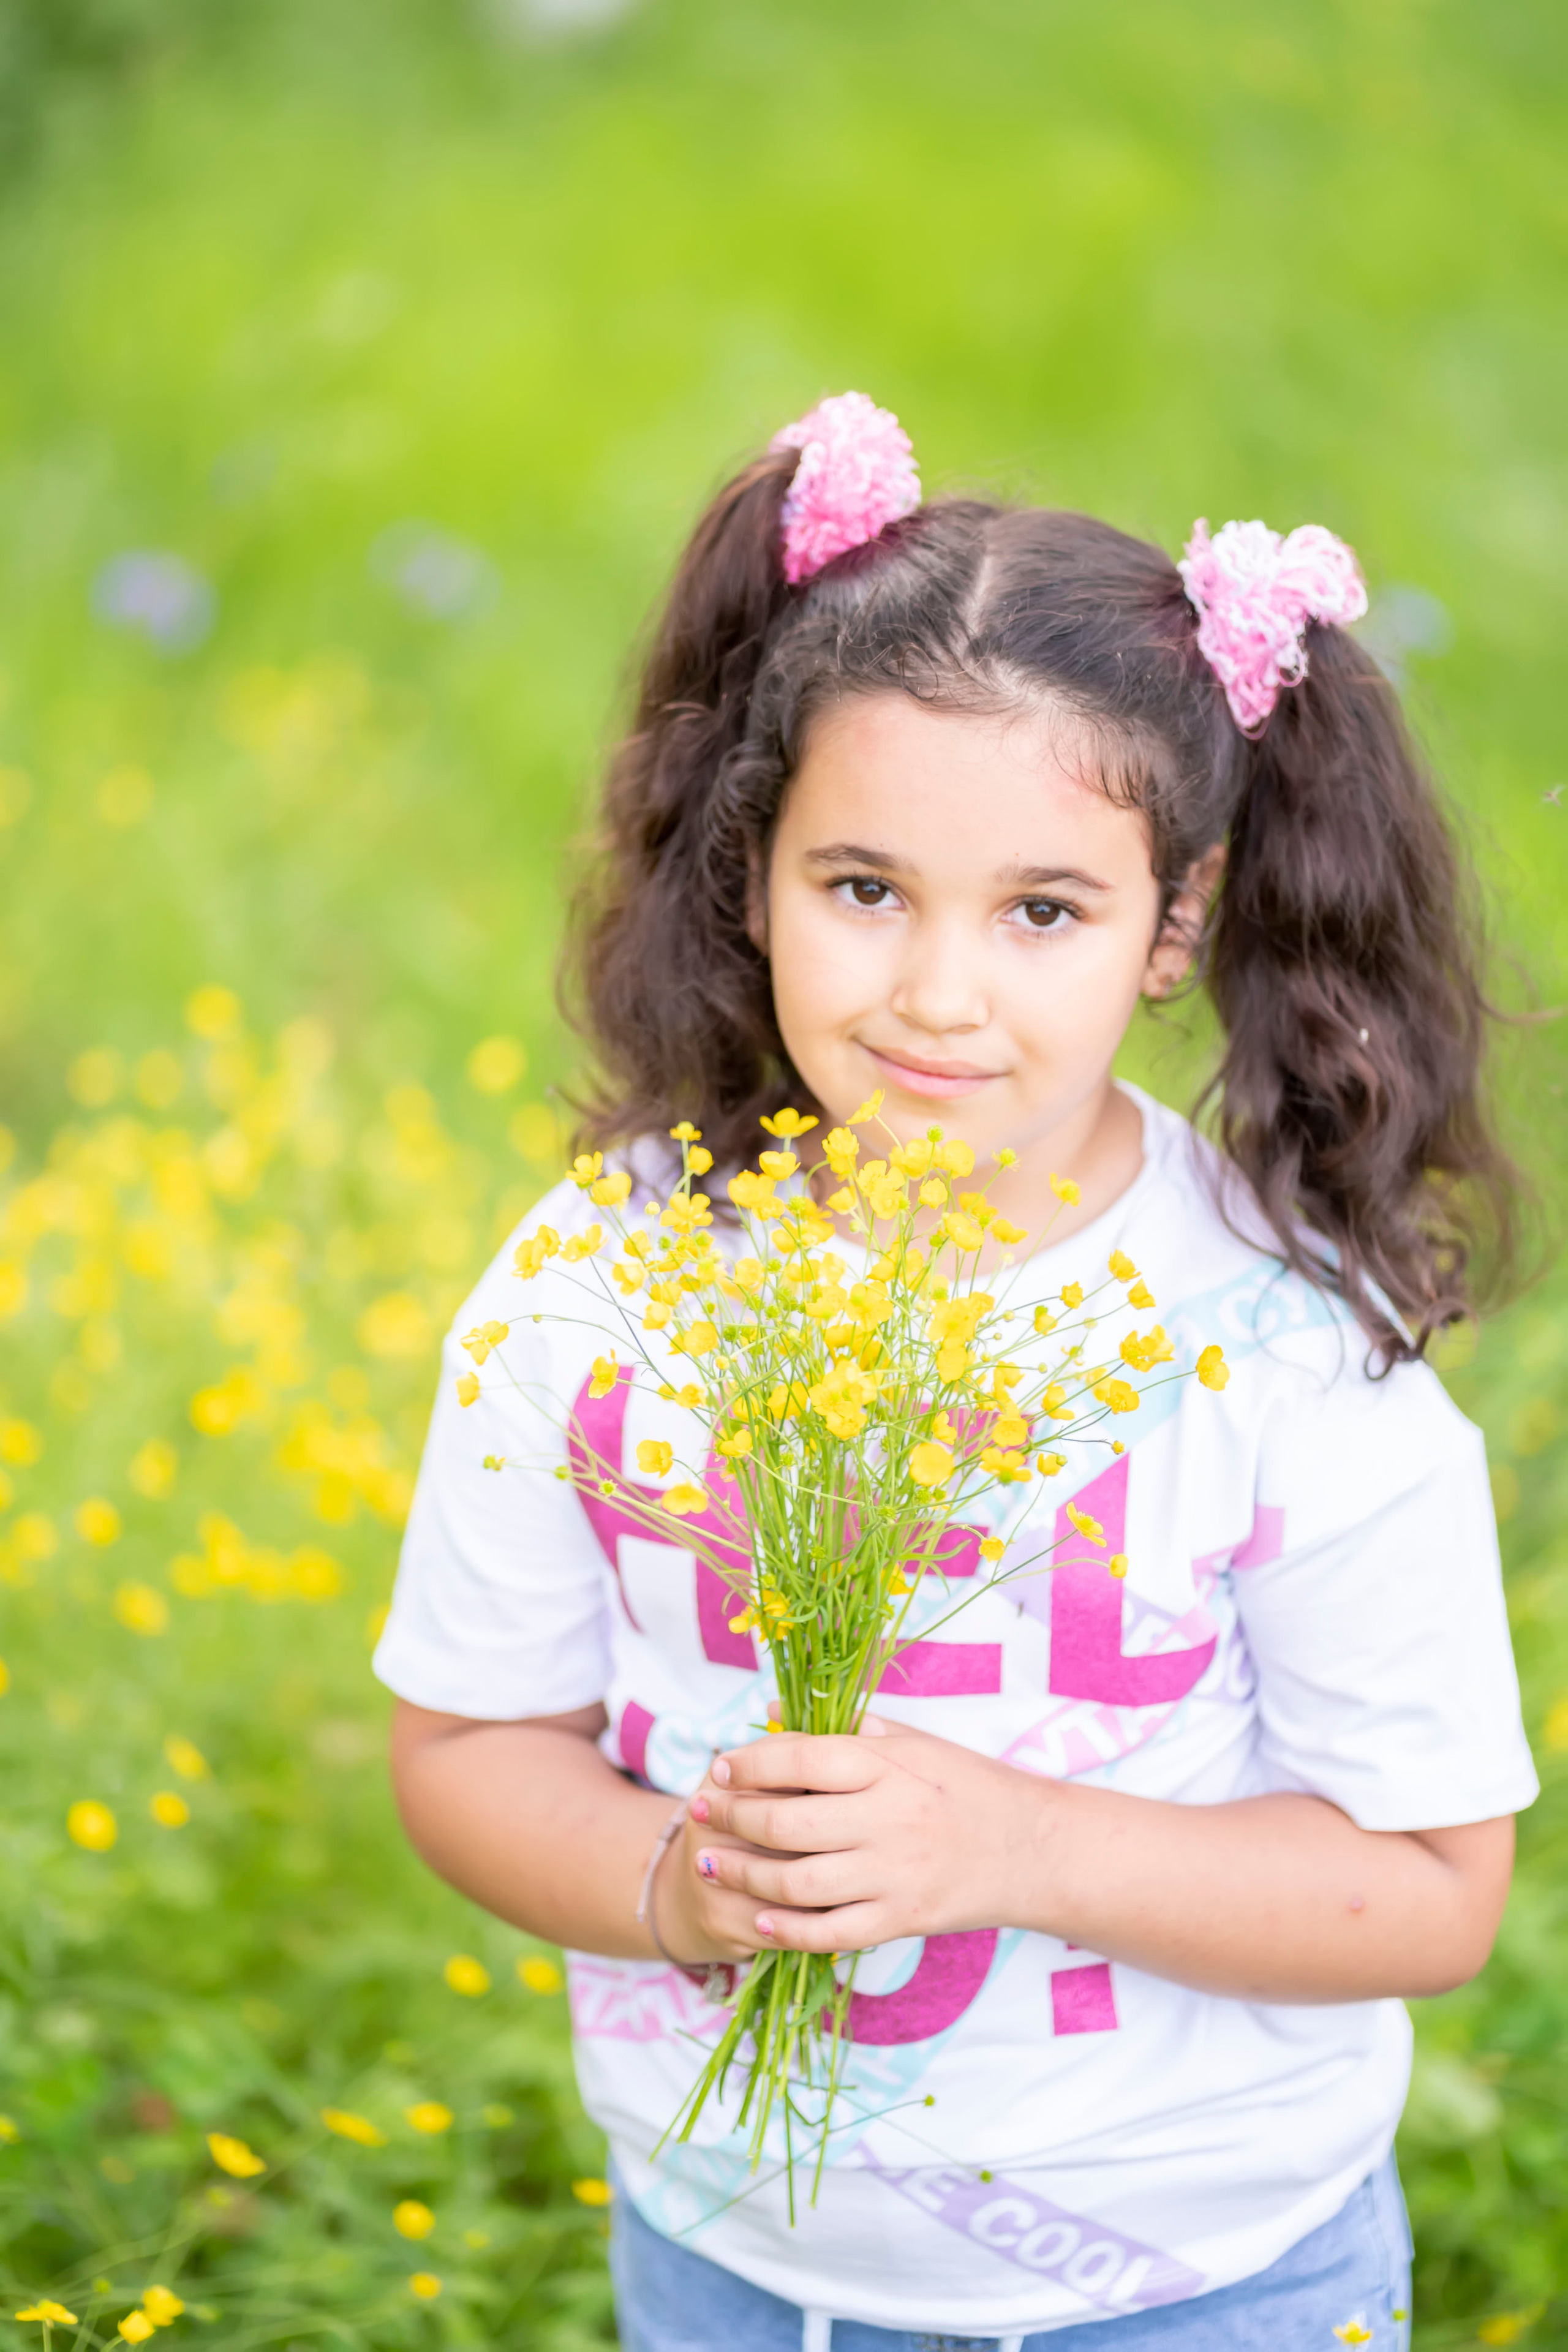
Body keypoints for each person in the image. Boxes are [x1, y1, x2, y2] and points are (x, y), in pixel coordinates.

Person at [374, 393, 1538, 2351]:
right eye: (864, 888)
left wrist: (1012, 1848)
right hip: (735, 2265)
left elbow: (1430, 1889)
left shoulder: (1276, 1344)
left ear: (1173, 929)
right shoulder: (606, 1283)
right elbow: (475, 1746)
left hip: (1206, 2285)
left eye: (1044, 913)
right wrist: (680, 1886)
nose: (934, 992)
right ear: (754, 873)